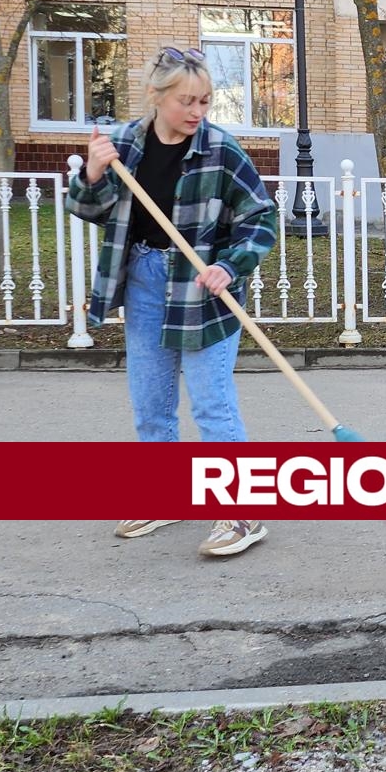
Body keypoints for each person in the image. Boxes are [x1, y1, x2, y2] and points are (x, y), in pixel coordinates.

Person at [69, 45, 281, 560]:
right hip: (143, 279)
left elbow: (261, 218)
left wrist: (230, 265)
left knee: (212, 404)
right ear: (156, 96)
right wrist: (94, 174)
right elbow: (86, 207)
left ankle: (242, 512)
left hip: (203, 287)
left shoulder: (220, 149)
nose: (197, 112)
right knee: (151, 401)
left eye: (205, 101)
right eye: (187, 101)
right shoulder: (121, 144)